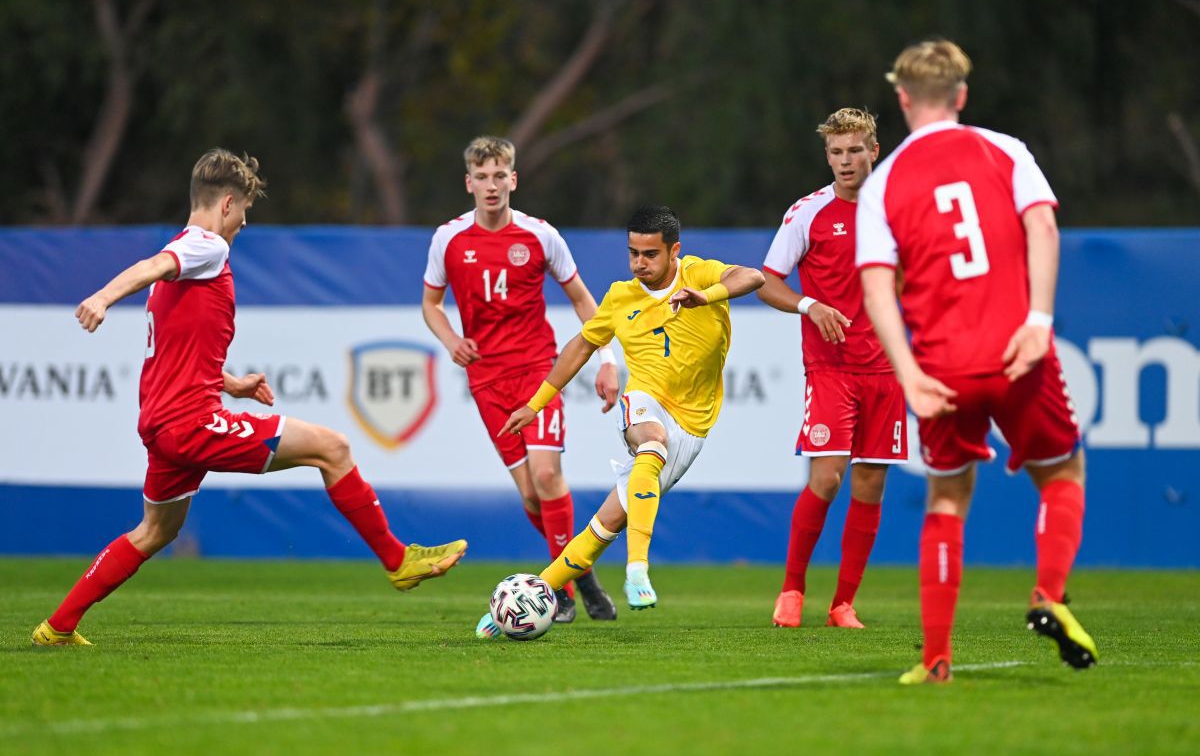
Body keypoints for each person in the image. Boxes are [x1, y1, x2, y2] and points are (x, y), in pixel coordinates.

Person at [31, 149, 466, 647]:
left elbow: (182, 350)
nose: (241, 225)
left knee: (154, 532)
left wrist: (231, 382)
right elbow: (153, 264)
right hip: (190, 422)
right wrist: (102, 297)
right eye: (242, 214)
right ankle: (397, 561)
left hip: (161, 422)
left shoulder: (187, 251)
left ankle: (57, 627)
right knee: (333, 447)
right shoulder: (206, 246)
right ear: (227, 204)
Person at [856, 39, 1098, 683]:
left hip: (941, 368)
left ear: (903, 99)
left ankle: (936, 660)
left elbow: (877, 288)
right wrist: (1040, 321)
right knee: (1063, 471)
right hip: (1016, 352)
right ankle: (1048, 593)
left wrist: (908, 373)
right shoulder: (1006, 150)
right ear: (961, 95)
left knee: (945, 499)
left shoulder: (882, 185)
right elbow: (1043, 229)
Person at [475, 205, 765, 638]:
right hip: (645, 400)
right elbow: (579, 346)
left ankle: (523, 602)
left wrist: (707, 296)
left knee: (607, 521)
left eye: (650, 254)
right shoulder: (619, 297)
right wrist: (536, 404)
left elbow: (753, 277)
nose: (639, 264)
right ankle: (637, 569)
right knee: (651, 441)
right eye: (633, 253)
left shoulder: (700, 274)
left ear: (674, 251)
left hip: (695, 424)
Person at [422, 136, 618, 623]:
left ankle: (562, 592)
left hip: (538, 372)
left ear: (514, 179)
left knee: (549, 476)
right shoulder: (449, 239)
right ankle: (581, 574)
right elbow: (430, 304)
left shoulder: (540, 236)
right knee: (532, 493)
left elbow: (582, 301)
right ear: (469, 184)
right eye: (482, 177)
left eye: (499, 175)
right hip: (488, 382)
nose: (491, 186)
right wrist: (451, 341)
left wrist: (607, 358)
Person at [759, 108, 907, 629]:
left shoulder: (897, 209)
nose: (845, 161)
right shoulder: (808, 212)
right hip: (830, 368)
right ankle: (791, 591)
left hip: (886, 370)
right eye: (836, 152)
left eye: (854, 151)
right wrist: (809, 306)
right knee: (826, 477)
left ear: (874, 151)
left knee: (869, 487)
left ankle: (843, 603)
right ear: (828, 157)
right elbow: (767, 279)